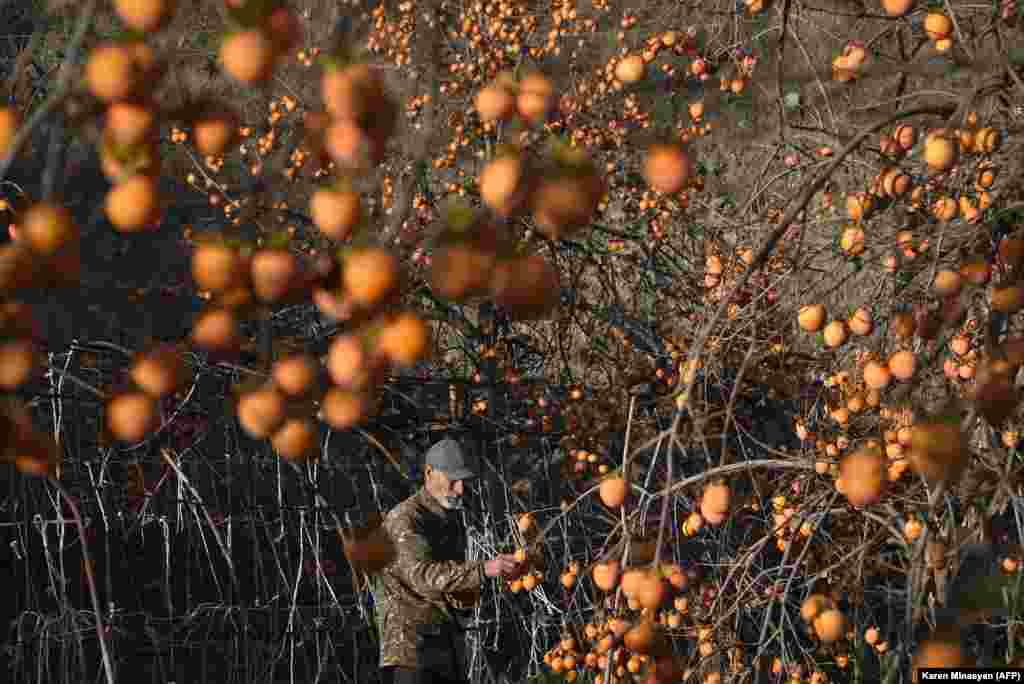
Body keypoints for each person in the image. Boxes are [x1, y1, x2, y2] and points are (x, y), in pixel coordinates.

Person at [374, 437, 520, 684]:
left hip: (444, 649)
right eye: (453, 480)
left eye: (464, 481)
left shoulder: (446, 518)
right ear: (429, 473)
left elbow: (449, 583)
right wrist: (485, 569)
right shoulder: (405, 519)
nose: (460, 489)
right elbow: (424, 576)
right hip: (411, 656)